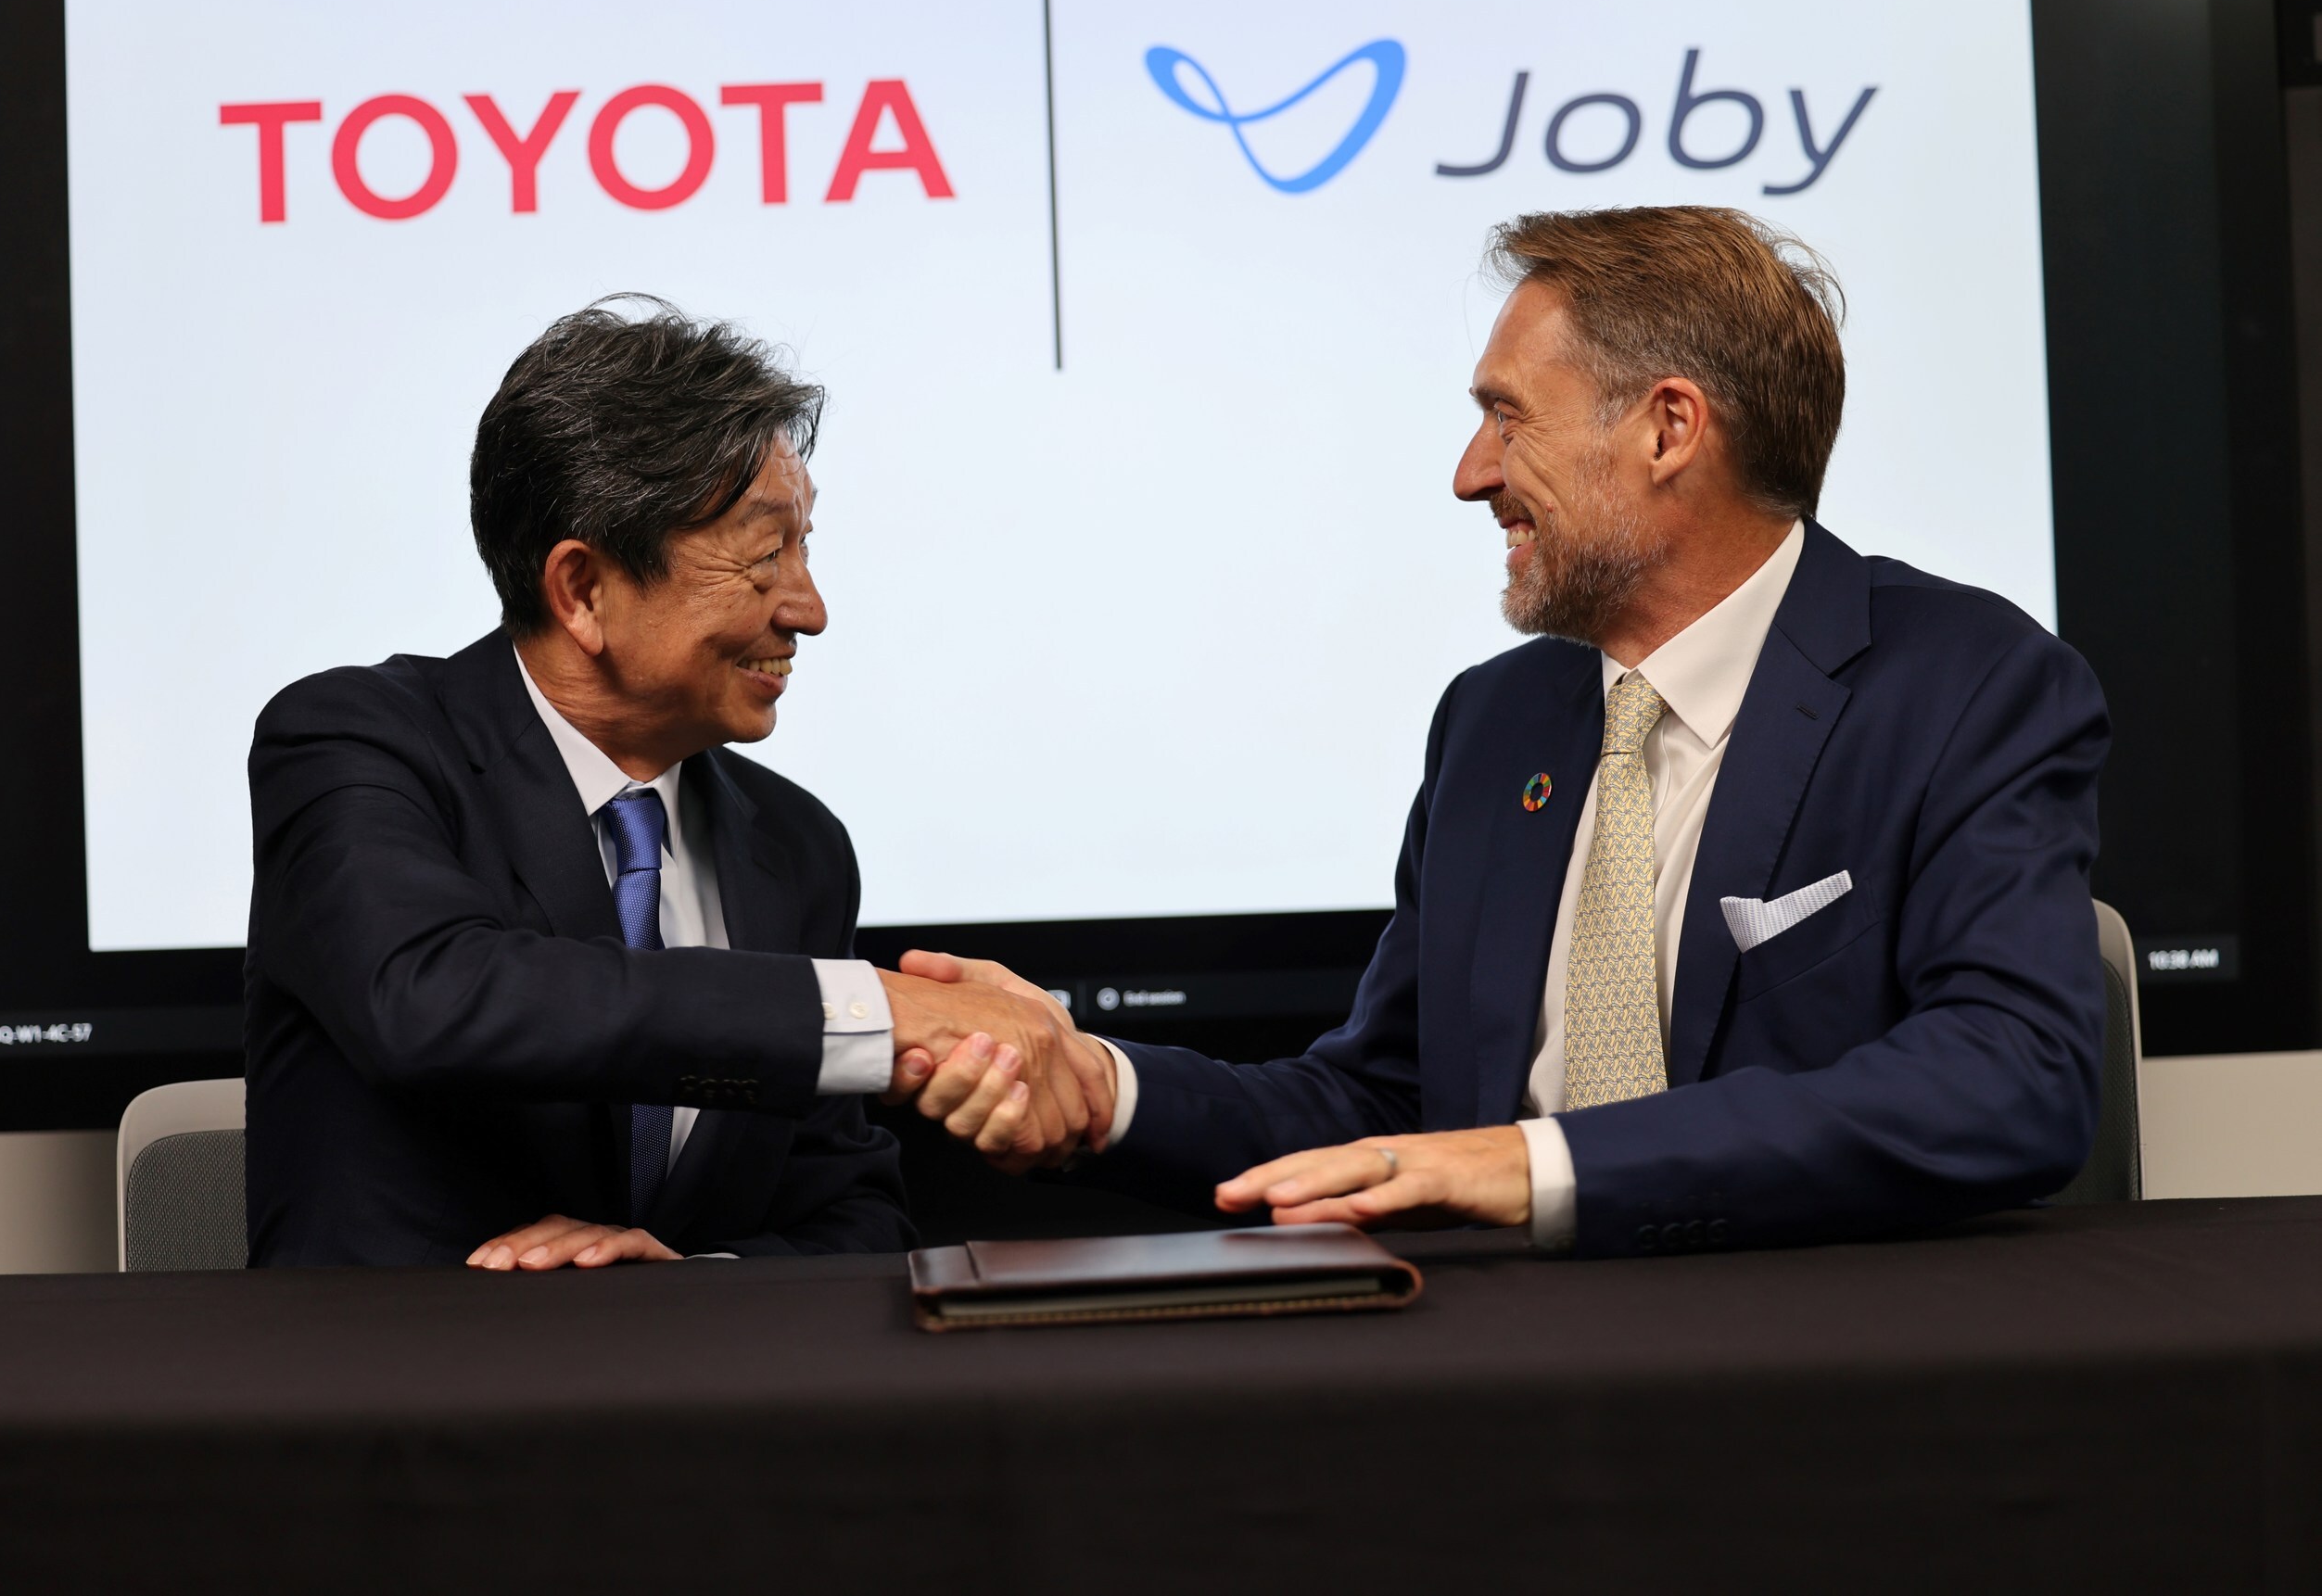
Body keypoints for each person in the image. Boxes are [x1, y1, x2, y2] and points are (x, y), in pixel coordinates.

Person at [904, 207, 2111, 1256]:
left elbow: (2010, 1076)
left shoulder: (1966, 687)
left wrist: (1544, 1170)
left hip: (1808, 1377)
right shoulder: (1496, 721)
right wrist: (1100, 1088)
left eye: (1506, 416)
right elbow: (1382, 1107)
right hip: (1495, 1383)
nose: (1470, 473)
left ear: (1668, 428)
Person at [244, 297, 1108, 1267]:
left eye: (805, 544)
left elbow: (856, 1220)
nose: (809, 608)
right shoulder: (356, 742)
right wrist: (876, 1007)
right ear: (583, 590)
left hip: (689, 1406)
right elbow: (431, 998)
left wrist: (696, 1284)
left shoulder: (798, 847)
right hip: (392, 1398)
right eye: (761, 553)